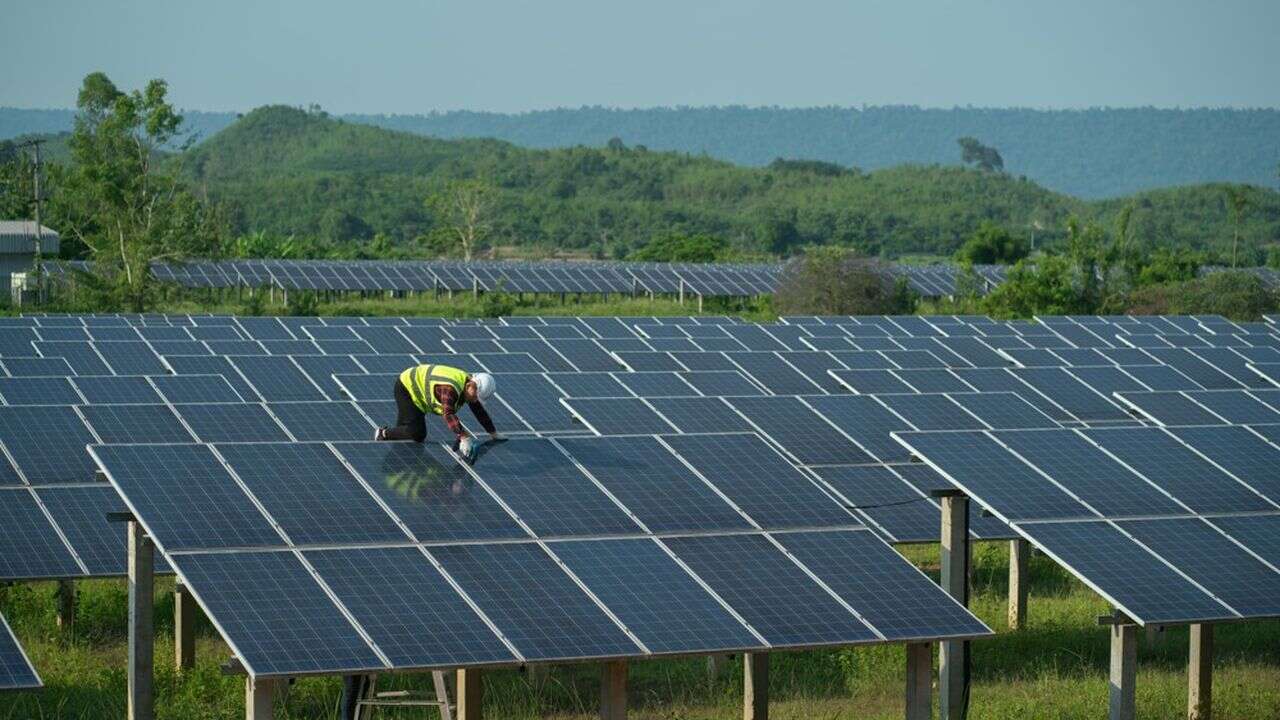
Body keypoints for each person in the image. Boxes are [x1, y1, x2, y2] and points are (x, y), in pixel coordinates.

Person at [375, 363, 501, 462]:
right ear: (471, 384)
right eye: (475, 396)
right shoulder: (450, 389)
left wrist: (493, 433)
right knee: (416, 433)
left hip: (418, 394)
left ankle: (396, 456)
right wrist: (463, 436)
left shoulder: (469, 386)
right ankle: (382, 433)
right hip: (407, 388)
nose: (474, 400)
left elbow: (478, 410)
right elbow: (448, 413)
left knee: (404, 432)